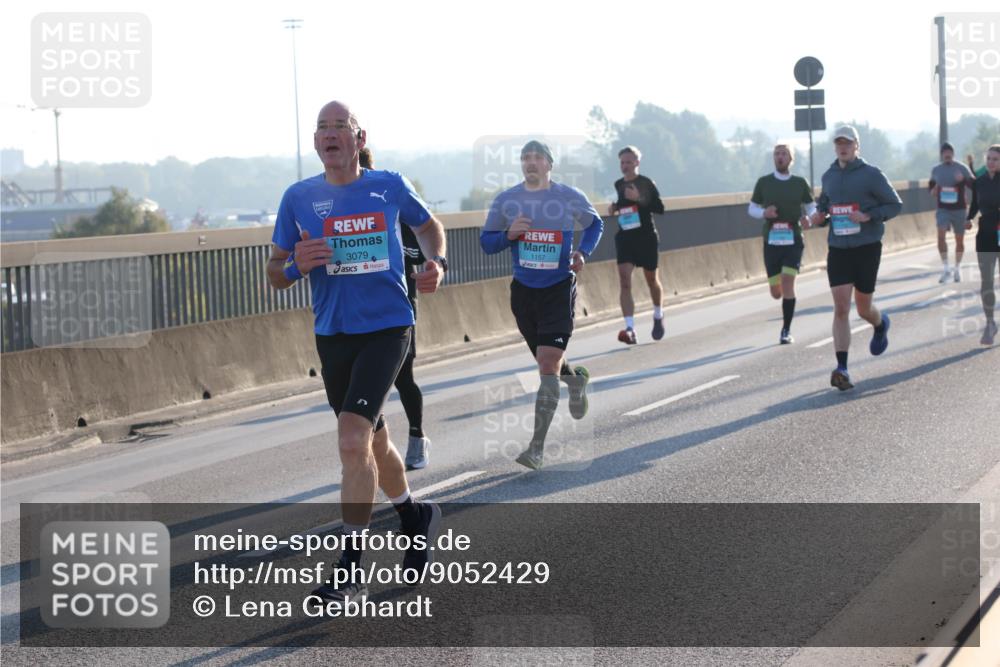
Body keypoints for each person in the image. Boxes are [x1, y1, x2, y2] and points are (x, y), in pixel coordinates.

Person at [267, 101, 448, 602]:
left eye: (338, 127)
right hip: (333, 333)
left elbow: (430, 227)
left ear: (358, 137)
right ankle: (415, 516)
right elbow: (274, 272)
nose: (329, 135)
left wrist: (437, 262)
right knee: (370, 442)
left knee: (351, 440)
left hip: (389, 326)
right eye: (321, 128)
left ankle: (349, 571)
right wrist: (296, 266)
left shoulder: (387, 184)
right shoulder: (298, 197)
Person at [480, 140, 604, 470]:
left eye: (537, 158)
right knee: (548, 359)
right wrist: (508, 234)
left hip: (558, 289)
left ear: (549, 164)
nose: (531, 163)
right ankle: (575, 379)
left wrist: (583, 253)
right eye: (525, 158)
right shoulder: (507, 200)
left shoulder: (567, 197)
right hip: (523, 293)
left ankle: (536, 447)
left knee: (546, 365)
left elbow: (595, 224)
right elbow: (486, 242)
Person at [809, 125, 902, 391]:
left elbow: (895, 205)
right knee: (841, 308)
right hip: (838, 248)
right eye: (838, 143)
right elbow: (824, 207)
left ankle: (880, 323)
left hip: (866, 247)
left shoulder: (871, 175)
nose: (842, 147)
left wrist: (868, 216)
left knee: (863, 309)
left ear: (856, 146)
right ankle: (842, 368)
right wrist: (819, 217)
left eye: (847, 143)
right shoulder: (828, 176)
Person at [358, 147, 432, 470]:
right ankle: (370, 449)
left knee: (403, 380)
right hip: (359, 311)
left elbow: (419, 247)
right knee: (365, 385)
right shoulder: (339, 212)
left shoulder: (390, 202)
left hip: (399, 305)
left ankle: (417, 436)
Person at [747, 143, 816, 344]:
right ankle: (778, 296)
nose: (780, 157)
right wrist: (764, 213)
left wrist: (809, 219)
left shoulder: (799, 183)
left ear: (791, 159)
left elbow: (813, 207)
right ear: (773, 158)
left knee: (788, 282)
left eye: (784, 154)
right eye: (777, 154)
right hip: (771, 240)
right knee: (776, 292)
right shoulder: (764, 183)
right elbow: (751, 208)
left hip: (793, 238)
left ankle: (785, 330)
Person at [608, 146, 666, 344]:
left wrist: (638, 199)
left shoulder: (646, 183)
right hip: (625, 237)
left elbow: (660, 208)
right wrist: (615, 207)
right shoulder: (618, 184)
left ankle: (658, 315)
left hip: (646, 237)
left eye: (629, 162)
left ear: (637, 163)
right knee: (624, 280)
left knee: (651, 280)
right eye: (622, 162)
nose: (625, 166)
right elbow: (624, 205)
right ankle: (630, 328)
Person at [966, 144, 1000, 345]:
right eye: (989, 158)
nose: (991, 162)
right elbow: (975, 205)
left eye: (995, 159)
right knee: (986, 281)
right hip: (986, 233)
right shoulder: (979, 182)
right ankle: (990, 323)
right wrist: (968, 218)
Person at [929, 142, 975, 283]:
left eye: (950, 153)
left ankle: (957, 268)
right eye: (945, 153)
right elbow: (931, 190)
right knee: (940, 236)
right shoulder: (936, 170)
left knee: (959, 240)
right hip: (943, 209)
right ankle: (945, 268)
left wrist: (964, 179)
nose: (947, 155)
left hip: (959, 209)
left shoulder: (961, 168)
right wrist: (934, 191)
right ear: (942, 155)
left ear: (953, 154)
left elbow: (973, 185)